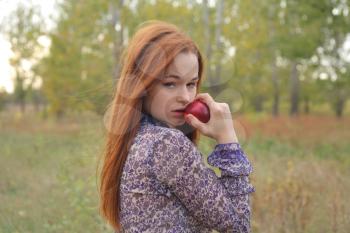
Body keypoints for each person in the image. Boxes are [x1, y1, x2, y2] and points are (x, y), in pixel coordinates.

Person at [99, 20, 255, 233]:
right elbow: (238, 225)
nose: (185, 97)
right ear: (143, 86)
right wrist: (228, 139)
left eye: (191, 84)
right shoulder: (165, 144)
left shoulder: (137, 138)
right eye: (170, 83)